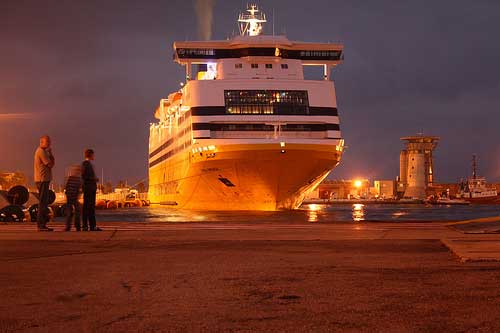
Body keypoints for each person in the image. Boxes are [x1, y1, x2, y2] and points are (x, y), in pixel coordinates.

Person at [33, 135, 55, 231]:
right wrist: (50, 154)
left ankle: (42, 225)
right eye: (47, 142)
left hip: (42, 180)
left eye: (49, 141)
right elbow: (50, 164)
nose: (49, 143)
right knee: (43, 203)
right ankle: (41, 225)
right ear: (41, 142)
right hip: (42, 180)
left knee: (44, 202)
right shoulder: (41, 152)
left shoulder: (42, 151)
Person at [81, 149, 102, 231]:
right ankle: (89, 226)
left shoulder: (87, 164)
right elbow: (84, 176)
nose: (94, 156)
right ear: (91, 155)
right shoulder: (86, 164)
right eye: (93, 155)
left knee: (89, 207)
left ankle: (88, 225)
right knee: (89, 207)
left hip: (89, 188)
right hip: (89, 188)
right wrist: (94, 179)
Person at [64, 165, 82, 231]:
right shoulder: (79, 179)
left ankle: (68, 226)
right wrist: (78, 196)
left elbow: (66, 187)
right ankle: (77, 225)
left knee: (69, 212)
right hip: (74, 197)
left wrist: (67, 195)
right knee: (78, 211)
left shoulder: (70, 178)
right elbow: (80, 189)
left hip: (69, 197)